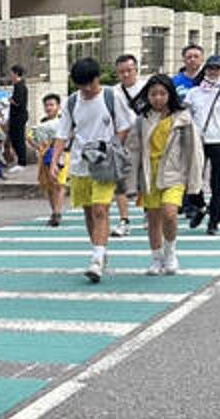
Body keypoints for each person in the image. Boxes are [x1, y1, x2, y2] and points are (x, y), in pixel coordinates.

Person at [51, 57, 134, 283]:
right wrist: (55, 160)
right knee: (89, 211)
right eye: (81, 86)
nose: (86, 90)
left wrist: (111, 147)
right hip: (80, 164)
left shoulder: (111, 96)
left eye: (90, 84)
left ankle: (96, 260)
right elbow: (62, 133)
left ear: (98, 78)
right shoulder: (71, 102)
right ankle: (99, 249)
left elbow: (126, 126)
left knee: (101, 209)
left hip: (105, 163)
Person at [126, 73, 204, 277]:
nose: (158, 98)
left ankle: (171, 253)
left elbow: (193, 151)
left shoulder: (183, 118)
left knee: (169, 214)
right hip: (149, 174)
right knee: (153, 219)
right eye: (153, 94)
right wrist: (130, 183)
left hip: (174, 173)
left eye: (162, 93)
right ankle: (156, 258)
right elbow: (133, 150)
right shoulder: (142, 120)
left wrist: (194, 180)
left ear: (170, 94)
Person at [182, 54, 220, 235]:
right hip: (198, 141)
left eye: (217, 68)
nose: (213, 72)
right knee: (192, 180)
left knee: (218, 184)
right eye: (210, 68)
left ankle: (214, 221)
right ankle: (200, 207)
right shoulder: (194, 93)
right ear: (205, 69)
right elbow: (186, 118)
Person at [110, 54, 146, 237]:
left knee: (146, 177)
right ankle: (124, 220)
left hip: (147, 136)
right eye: (121, 72)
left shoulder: (148, 88)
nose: (125, 75)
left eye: (129, 71)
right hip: (123, 138)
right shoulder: (112, 93)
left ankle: (149, 213)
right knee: (121, 181)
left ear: (136, 70)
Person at [33, 92, 66, 225]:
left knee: (59, 184)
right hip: (46, 155)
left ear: (58, 106)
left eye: (52, 105)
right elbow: (31, 138)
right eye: (46, 105)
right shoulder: (42, 123)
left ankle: (57, 213)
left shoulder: (64, 121)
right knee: (49, 185)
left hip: (63, 154)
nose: (49, 108)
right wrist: (39, 147)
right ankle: (54, 212)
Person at [7, 65, 30, 168]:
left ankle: (22, 162)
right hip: (17, 117)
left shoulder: (19, 86)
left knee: (19, 139)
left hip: (19, 117)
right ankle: (19, 160)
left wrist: (10, 100)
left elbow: (18, 102)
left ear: (16, 73)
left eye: (11, 73)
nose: (10, 75)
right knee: (14, 137)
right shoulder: (18, 85)